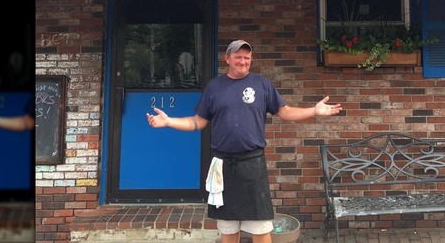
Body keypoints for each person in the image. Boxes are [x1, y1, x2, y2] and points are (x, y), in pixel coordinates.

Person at [146, 40, 342, 243]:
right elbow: (197, 122)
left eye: (246, 57)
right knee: (228, 228)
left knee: (260, 228)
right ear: (227, 58)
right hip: (222, 166)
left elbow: (285, 112)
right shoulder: (215, 87)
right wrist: (169, 121)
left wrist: (314, 111)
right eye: (238, 57)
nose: (242, 61)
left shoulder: (262, 84)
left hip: (253, 165)